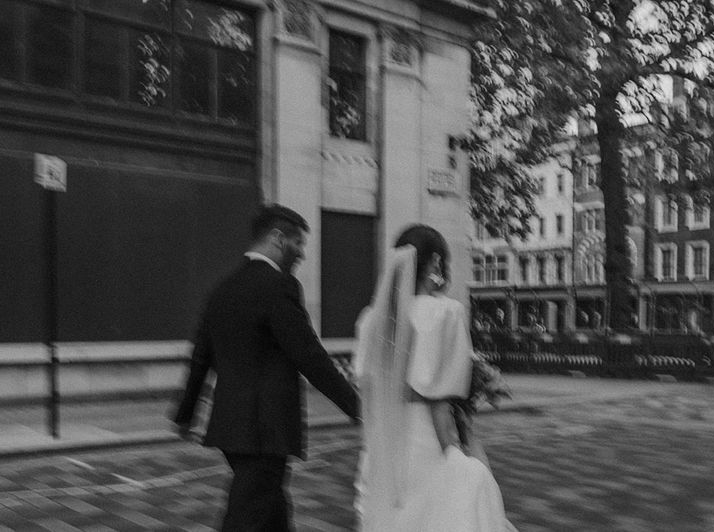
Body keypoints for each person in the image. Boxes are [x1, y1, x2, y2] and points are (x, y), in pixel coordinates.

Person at [172, 203, 359, 532]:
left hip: (232, 428)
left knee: (271, 512)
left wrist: (185, 415)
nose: (302, 253)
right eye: (298, 242)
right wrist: (357, 406)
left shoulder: (222, 290)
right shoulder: (279, 286)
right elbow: (309, 355)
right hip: (265, 431)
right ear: (277, 238)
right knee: (248, 516)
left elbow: (200, 358)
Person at [354, 224, 516, 532]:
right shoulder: (445, 313)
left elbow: (366, 386)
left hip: (384, 440)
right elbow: (442, 397)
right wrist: (454, 451)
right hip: (427, 437)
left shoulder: (371, 320)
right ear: (436, 263)